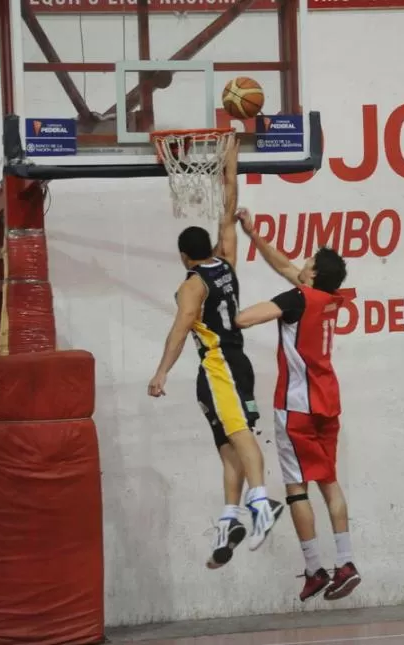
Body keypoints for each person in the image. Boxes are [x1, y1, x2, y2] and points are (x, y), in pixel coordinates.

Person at [147, 144, 282, 570]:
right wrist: (231, 157)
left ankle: (261, 504)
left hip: (219, 363)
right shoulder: (226, 263)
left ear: (185, 256)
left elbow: (181, 327)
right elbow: (228, 206)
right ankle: (232, 518)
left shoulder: (192, 284)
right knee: (227, 448)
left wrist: (161, 372)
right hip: (231, 362)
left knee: (240, 437)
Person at [233, 210, 360, 602]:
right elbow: (286, 266)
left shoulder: (296, 299)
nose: (301, 263)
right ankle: (347, 562)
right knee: (329, 482)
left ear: (314, 273)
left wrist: (218, 310)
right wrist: (253, 235)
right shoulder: (330, 299)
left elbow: (243, 319)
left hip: (297, 406)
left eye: (308, 262)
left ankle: (313, 569)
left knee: (296, 489)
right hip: (327, 403)